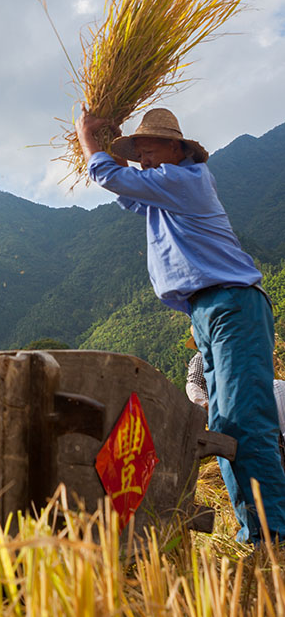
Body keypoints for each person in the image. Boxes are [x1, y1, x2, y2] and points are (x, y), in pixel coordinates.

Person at [76, 106, 285, 544]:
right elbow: (127, 192)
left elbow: (113, 178)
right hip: (209, 314)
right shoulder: (164, 191)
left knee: (247, 423)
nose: (144, 161)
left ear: (176, 148)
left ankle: (273, 538)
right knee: (224, 426)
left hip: (233, 307)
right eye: (139, 156)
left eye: (149, 151)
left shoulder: (188, 180)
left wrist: (88, 139)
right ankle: (258, 532)